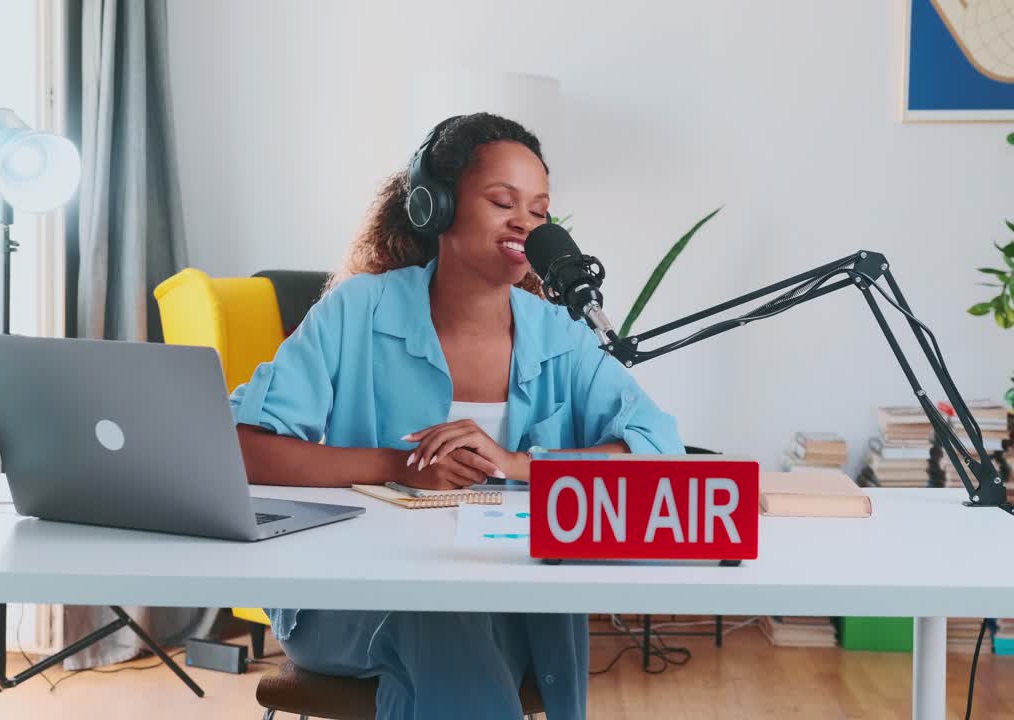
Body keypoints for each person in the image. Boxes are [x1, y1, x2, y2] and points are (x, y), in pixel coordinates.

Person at [229, 112, 683, 719]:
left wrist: (520, 465)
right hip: (352, 600)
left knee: (449, 630)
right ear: (434, 208)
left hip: (513, 611)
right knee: (438, 611)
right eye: (503, 201)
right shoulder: (356, 312)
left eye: (540, 211)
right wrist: (398, 466)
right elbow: (243, 447)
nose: (525, 222)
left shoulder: (561, 336)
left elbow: (659, 451)